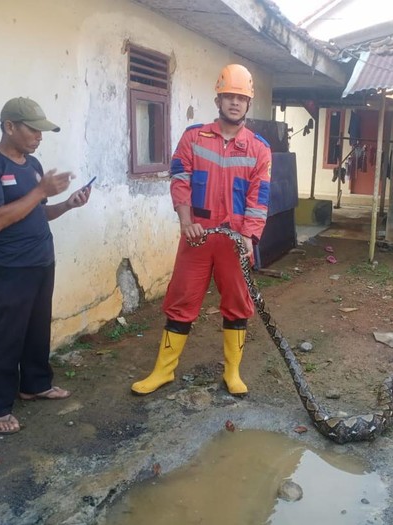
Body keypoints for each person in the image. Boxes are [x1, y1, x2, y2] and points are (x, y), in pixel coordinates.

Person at [131, 64, 271, 397]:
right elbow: (180, 179)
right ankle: (162, 372)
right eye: (229, 97)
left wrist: (250, 236)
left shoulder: (259, 149)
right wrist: (185, 220)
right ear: (218, 99)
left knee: (237, 305)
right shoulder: (194, 138)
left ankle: (232, 373)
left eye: (241, 98)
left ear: (248, 103)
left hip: (235, 241)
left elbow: (259, 197)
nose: (234, 103)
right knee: (181, 301)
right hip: (197, 236)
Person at [0, 97, 91, 434]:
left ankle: (35, 383)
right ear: (9, 126)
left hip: (41, 259)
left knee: (37, 329)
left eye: (42, 131)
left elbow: (38, 211)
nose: (39, 137)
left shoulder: (32, 164)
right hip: (11, 267)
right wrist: (39, 190)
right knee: (5, 336)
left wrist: (66, 204)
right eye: (33, 130)